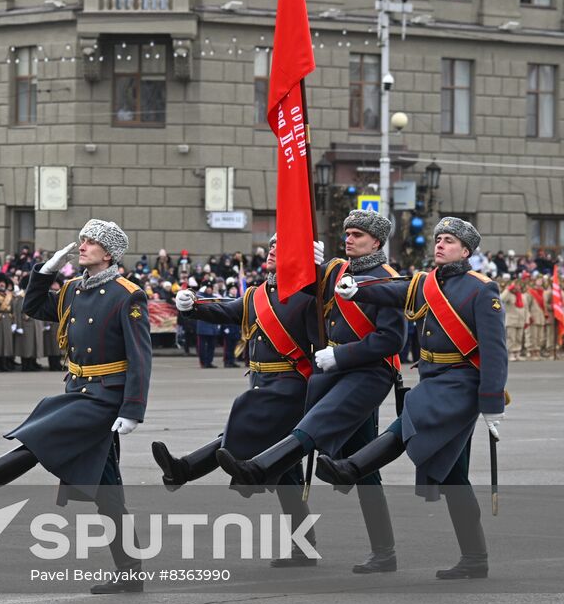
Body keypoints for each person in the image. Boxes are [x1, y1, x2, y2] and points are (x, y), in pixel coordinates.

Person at [0, 220, 151, 594]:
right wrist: (45, 272)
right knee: (107, 489)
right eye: (82, 238)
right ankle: (131, 568)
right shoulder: (72, 289)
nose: (82, 245)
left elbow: (140, 357)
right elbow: (35, 306)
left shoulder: (127, 295)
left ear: (109, 253)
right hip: (78, 388)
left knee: (43, 434)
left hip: (105, 396)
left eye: (91, 242)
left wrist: (132, 409)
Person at [218, 212, 406, 574]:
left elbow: (390, 339)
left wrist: (341, 354)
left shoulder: (389, 281)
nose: (349, 239)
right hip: (333, 375)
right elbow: (304, 295)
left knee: (320, 437)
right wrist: (306, 263)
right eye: (347, 233)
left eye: (358, 235)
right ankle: (342, 548)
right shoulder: (337, 272)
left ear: (377, 243)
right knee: (362, 466)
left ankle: (259, 469)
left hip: (364, 375)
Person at [321, 218, 507, 579]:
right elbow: (394, 291)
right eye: (438, 239)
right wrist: (355, 291)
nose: (440, 245)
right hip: (434, 377)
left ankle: (352, 467)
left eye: (449, 241)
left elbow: (495, 352)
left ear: (466, 251)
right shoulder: (425, 283)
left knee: (411, 419)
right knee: (454, 475)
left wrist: (492, 404)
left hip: (461, 383)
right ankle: (475, 558)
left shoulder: (481, 289)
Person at [155, 234, 324, 567]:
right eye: (271, 247)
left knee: (243, 424)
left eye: (281, 247)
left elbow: (323, 342)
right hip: (263, 382)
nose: (272, 251)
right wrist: (194, 304)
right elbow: (225, 308)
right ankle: (304, 547)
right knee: (286, 473)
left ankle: (185, 469)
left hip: (291, 385)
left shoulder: (308, 296)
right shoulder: (259, 294)